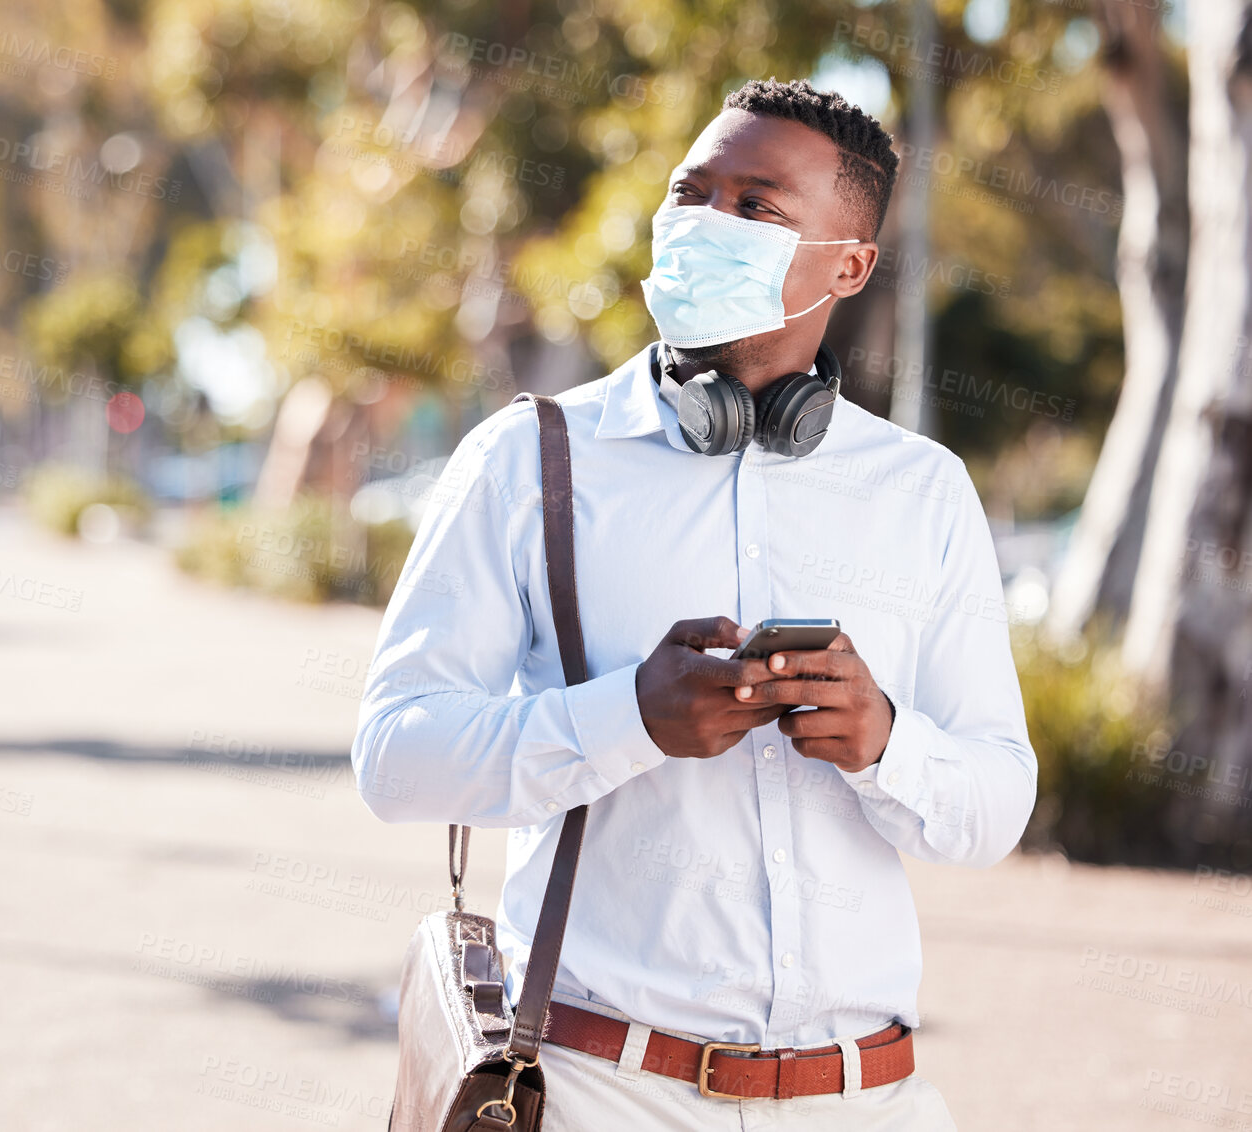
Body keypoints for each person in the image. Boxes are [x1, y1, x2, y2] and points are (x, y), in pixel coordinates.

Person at [351, 79, 1036, 1130]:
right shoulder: (527, 460)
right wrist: (629, 717)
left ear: (848, 266)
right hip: (595, 1091)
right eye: (692, 190)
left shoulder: (921, 488)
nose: (704, 222)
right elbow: (398, 756)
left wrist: (884, 741)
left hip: (866, 1099)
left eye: (756, 206)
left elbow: (994, 803)